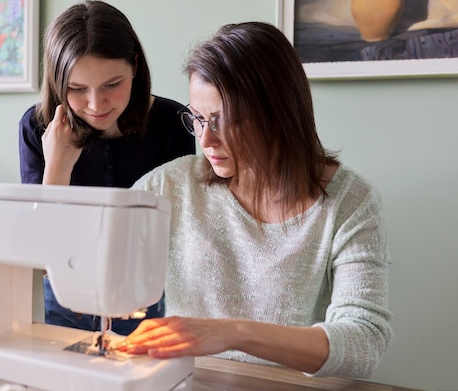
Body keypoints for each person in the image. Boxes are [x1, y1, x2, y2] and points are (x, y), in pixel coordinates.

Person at [117, 22, 394, 378]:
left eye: (222, 121)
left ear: (277, 116)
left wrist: (232, 333)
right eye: (198, 120)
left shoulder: (351, 203)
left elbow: (364, 343)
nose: (206, 141)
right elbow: (98, 253)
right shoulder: (168, 186)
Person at [18, 0, 195, 335]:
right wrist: (57, 167)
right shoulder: (37, 127)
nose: (96, 105)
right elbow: (40, 249)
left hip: (143, 298)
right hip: (61, 298)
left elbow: (175, 232)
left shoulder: (172, 124)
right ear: (57, 83)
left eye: (112, 85)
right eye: (77, 89)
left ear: (135, 68)